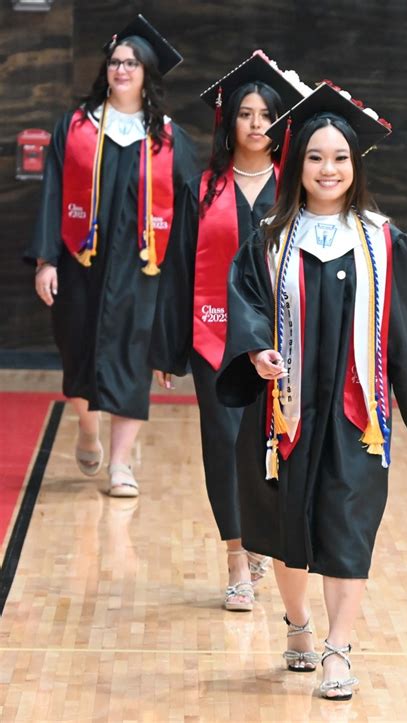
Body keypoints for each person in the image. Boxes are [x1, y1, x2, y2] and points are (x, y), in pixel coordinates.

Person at [216, 81, 407, 697]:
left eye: (340, 157)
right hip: (284, 415)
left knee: (346, 524)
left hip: (355, 417)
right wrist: (256, 350)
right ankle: (298, 625)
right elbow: (245, 308)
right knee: (291, 528)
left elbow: (403, 324)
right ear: (297, 164)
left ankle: (338, 650)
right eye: (315, 157)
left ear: (355, 165)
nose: (328, 168)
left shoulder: (380, 240)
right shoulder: (268, 239)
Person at [149, 51, 310, 611]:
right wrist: (168, 349)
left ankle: (266, 539)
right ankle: (237, 560)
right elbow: (177, 273)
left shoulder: (298, 190)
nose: (257, 123)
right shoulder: (203, 189)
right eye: (246, 113)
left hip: (284, 344)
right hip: (213, 340)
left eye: (267, 114)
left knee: (276, 445)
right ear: (229, 122)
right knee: (222, 445)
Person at [24, 15, 199, 497]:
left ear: (146, 73)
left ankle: (120, 465)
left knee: (131, 360)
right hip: (83, 266)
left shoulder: (167, 138)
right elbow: (53, 194)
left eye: (132, 63)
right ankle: (86, 426)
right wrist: (46, 260)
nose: (122, 69)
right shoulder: (78, 127)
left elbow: (189, 210)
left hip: (143, 272)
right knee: (79, 355)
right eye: (116, 61)